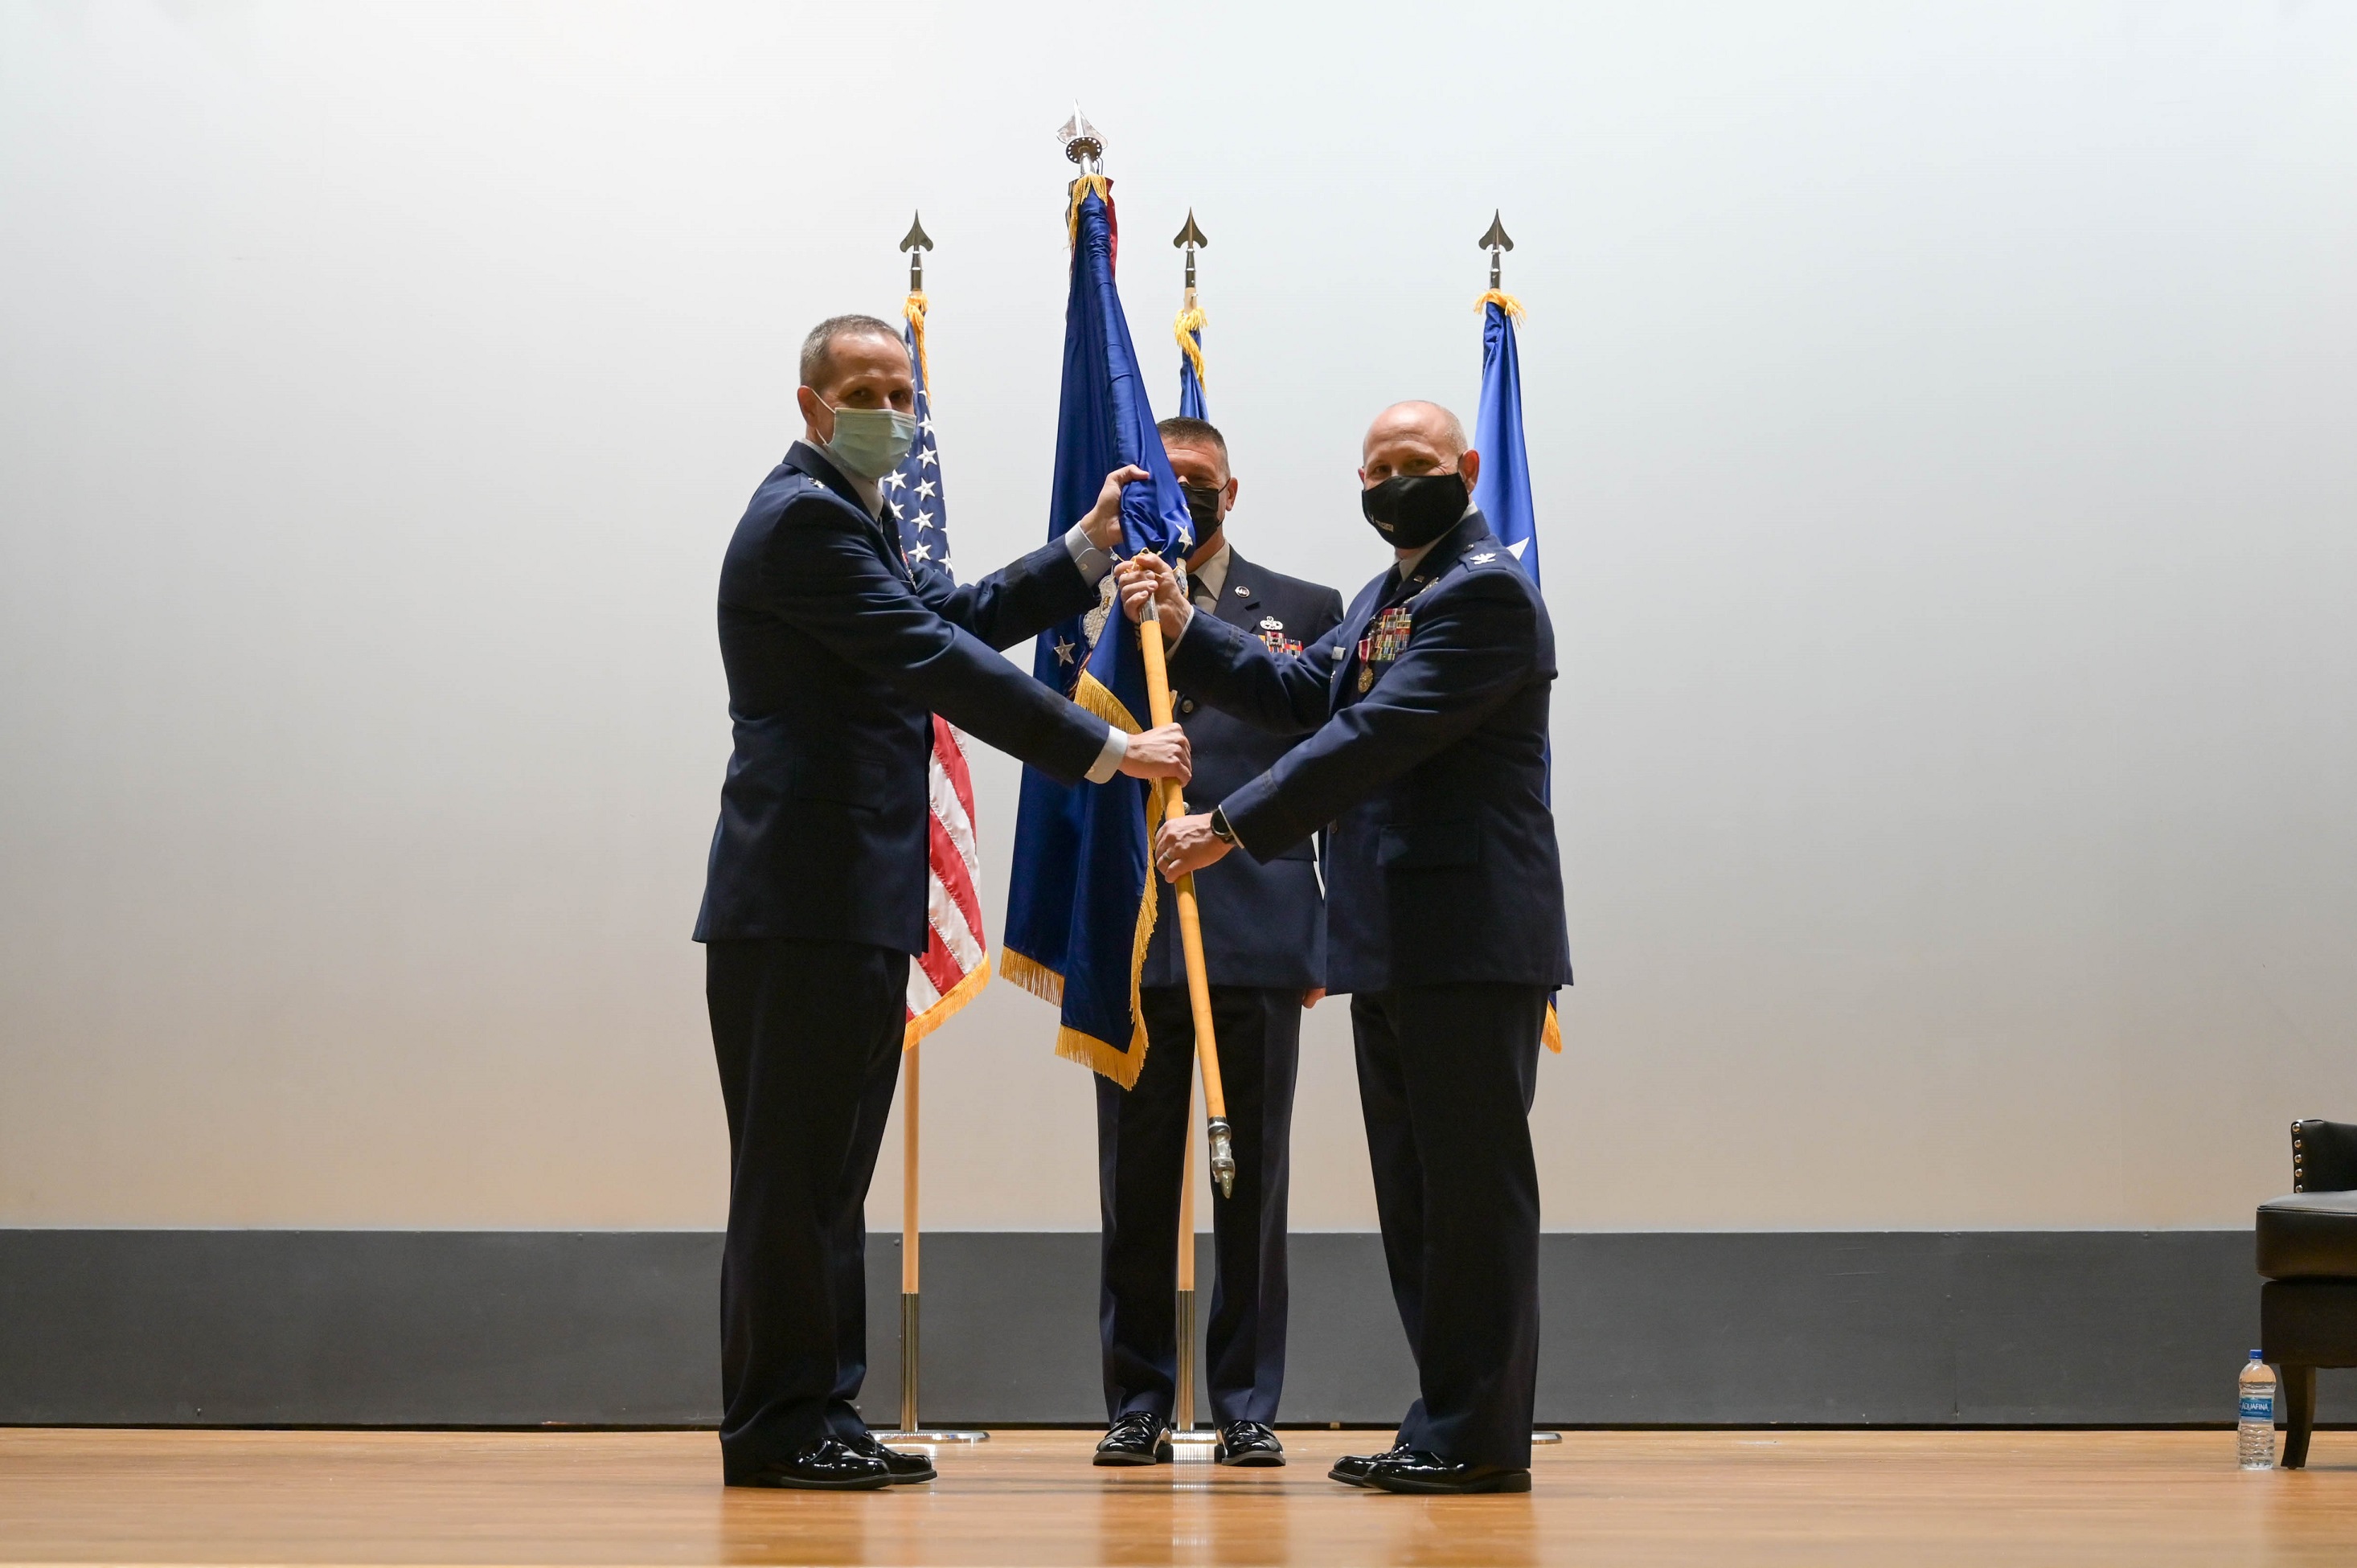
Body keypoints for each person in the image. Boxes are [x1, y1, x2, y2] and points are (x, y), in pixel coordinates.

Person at [695, 314, 1191, 1491]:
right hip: (798, 901)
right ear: (812, 405)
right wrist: (1101, 751)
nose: (891, 411)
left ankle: (823, 1409)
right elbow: (935, 662)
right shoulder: (802, 520)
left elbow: (948, 621)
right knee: (792, 1177)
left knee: (830, 1177)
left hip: (852, 897)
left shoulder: (851, 517)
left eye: (903, 390)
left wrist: (1077, 552)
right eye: (865, 390)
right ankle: (775, 1426)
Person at [1119, 399, 1570, 1496]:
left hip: (1470, 941)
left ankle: (1481, 1435)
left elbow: (1370, 736)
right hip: (1393, 943)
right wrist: (1185, 627)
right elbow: (1303, 690)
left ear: (1465, 468)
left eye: (1413, 465)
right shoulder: (1386, 598)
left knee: (1471, 1200)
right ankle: (1444, 1422)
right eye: (1374, 468)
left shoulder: (1486, 596)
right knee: (1420, 1204)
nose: (1391, 483)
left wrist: (1228, 828)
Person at [1091, 417, 1346, 1469]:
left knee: (1253, 1182)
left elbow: (1329, 761)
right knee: (1137, 1180)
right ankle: (1139, 1403)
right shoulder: (1094, 610)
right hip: (1141, 925)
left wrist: (1319, 935)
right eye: (1165, 485)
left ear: (1229, 492)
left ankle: (1246, 1402)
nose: (1183, 501)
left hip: (1255, 919)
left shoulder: (1305, 610)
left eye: (1200, 484)